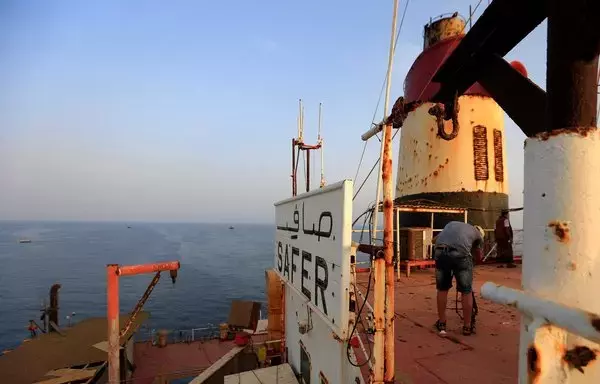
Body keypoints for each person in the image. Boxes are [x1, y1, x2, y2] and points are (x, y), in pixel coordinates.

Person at [433, 221, 484, 336]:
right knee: (466, 291)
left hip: (440, 252)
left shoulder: (452, 224)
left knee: (442, 289)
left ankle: (442, 323)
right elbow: (479, 257)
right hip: (460, 255)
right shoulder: (478, 235)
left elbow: (436, 239)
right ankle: (467, 326)